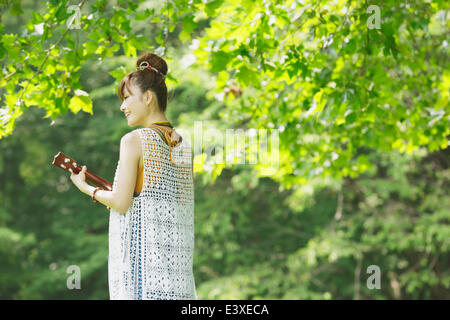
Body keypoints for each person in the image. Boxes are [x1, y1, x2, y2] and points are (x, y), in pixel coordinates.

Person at [69, 52, 197, 300]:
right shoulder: (182, 143)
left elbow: (121, 202)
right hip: (176, 274)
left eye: (127, 98)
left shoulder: (134, 140)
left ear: (148, 97)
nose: (122, 106)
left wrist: (86, 188)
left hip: (143, 269)